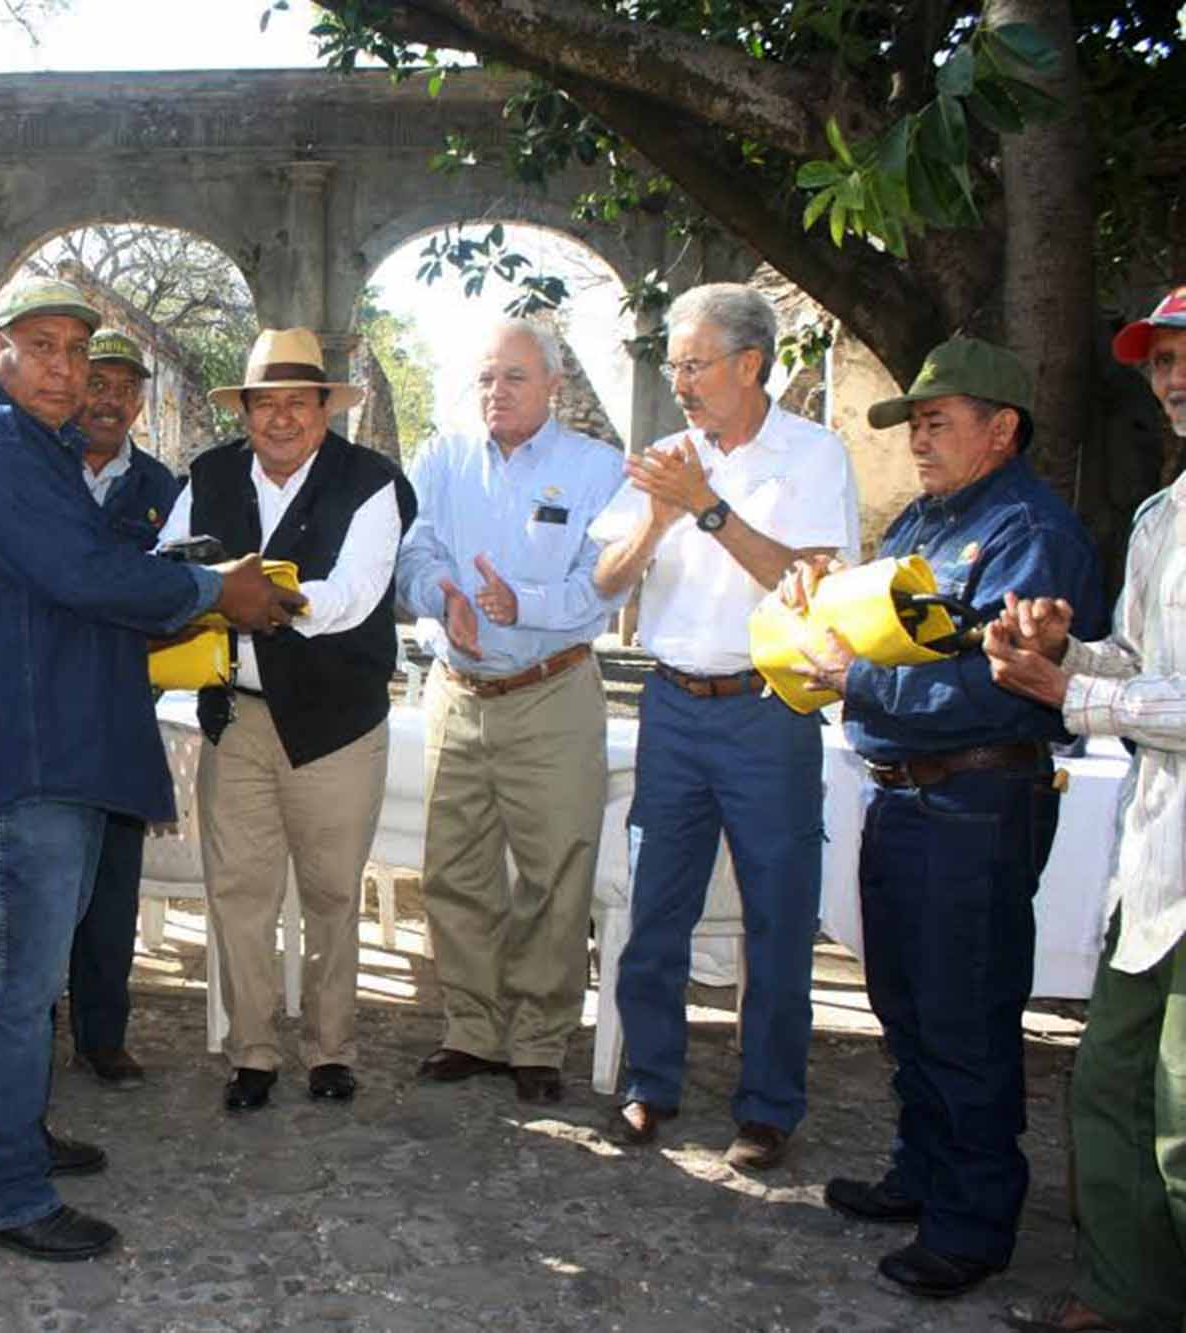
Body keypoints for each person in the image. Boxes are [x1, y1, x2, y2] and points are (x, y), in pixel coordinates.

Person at [0, 278, 302, 1261]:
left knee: (19, 978)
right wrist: (217, 588)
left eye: (75, 351)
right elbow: (84, 576)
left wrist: (186, 577)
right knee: (13, 979)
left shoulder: (25, 447)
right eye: (39, 345)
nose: (61, 366)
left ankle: (7, 1134)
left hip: (51, 746)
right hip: (20, 758)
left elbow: (77, 576)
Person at [779, 337, 1103, 1299]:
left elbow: (998, 686)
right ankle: (922, 1173)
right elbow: (890, 631)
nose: (919, 439)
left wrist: (857, 678)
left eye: (938, 421)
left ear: (1001, 429)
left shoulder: (1031, 531)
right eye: (913, 423)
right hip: (908, 789)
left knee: (966, 1011)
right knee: (906, 1002)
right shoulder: (927, 518)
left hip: (977, 794)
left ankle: (972, 1222)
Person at [589, 281, 859, 1169]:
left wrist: (707, 507)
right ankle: (649, 1084)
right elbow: (606, 582)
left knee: (778, 916)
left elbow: (811, 579)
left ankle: (769, 1106)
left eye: (696, 365)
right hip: (672, 704)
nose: (682, 385)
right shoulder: (665, 456)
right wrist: (660, 516)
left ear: (751, 364)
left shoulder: (815, 454)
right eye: (673, 367)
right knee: (655, 907)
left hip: (768, 710)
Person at [158, 327, 415, 1114]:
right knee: (239, 890)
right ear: (245, 413)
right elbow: (166, 558)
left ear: (323, 410)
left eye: (296, 403)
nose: (279, 419)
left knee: (334, 892)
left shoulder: (373, 482)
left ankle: (332, 1048)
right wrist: (200, 582)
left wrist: (259, 597)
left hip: (338, 722)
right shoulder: (208, 474)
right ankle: (253, 1052)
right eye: (264, 404)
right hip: (236, 716)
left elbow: (355, 596)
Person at [994, 287, 1186, 1332]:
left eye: (1182, 357)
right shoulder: (1162, 515)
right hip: (1152, 869)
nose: (1170, 378)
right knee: (1107, 1090)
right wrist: (1063, 649)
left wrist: (1075, 694)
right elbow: (1146, 666)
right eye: (1157, 361)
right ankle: (1124, 1292)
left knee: (1183, 1122)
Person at [395, 319, 625, 1104]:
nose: (497, 392)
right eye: (487, 377)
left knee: (556, 871)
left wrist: (516, 601)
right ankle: (471, 1028)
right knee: (454, 869)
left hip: (552, 691)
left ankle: (538, 1037)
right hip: (457, 693)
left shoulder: (600, 468)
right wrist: (444, 594)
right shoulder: (441, 457)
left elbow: (606, 584)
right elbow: (413, 551)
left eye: (515, 378)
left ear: (554, 385)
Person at [65, 328, 181, 1090]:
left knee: (111, 882)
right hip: (39, 705)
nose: (109, 400)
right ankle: (30, 1031)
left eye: (124, 388)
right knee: (45, 881)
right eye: (97, 383)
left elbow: (176, 590)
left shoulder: (164, 490)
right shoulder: (37, 468)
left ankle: (103, 1035)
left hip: (124, 709)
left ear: (140, 401)